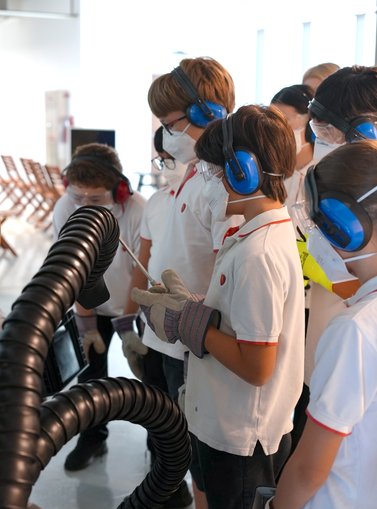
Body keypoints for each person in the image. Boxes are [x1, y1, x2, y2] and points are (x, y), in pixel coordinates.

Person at [131, 104, 305, 509]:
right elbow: (243, 323)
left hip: (243, 439)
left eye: (211, 170)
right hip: (225, 423)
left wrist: (190, 324)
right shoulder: (253, 233)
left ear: (242, 171)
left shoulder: (258, 252)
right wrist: (194, 307)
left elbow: (257, 366)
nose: (206, 180)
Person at [113, 56, 242, 509]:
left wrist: (193, 321)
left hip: (200, 343)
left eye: (171, 123)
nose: (166, 134)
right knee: (172, 445)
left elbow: (235, 278)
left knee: (202, 461)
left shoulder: (226, 184)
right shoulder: (190, 175)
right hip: (167, 337)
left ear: (209, 114)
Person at [270, 140, 377, 509]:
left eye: (320, 223)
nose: (313, 237)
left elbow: (309, 470)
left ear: (350, 224)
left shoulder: (354, 330)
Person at [52, 142, 146, 471]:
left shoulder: (137, 210)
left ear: (119, 190)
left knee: (151, 376)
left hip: (137, 303)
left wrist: (126, 323)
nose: (85, 206)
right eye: (79, 198)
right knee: (90, 376)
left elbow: (141, 269)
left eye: (96, 199)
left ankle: (162, 449)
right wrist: (87, 324)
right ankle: (92, 437)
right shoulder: (65, 208)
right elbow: (72, 269)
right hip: (90, 303)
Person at [111, 126, 190, 508]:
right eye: (160, 158)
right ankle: (167, 483)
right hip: (152, 329)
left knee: (182, 416)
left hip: (188, 332)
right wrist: (127, 324)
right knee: (156, 409)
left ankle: (181, 479)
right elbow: (142, 265)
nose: (163, 165)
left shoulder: (212, 200)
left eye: (166, 157)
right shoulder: (157, 202)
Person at [270, 84, 316, 452]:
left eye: (286, 118)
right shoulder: (279, 164)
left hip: (311, 292)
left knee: (303, 383)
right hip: (282, 281)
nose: (280, 126)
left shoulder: (320, 168)